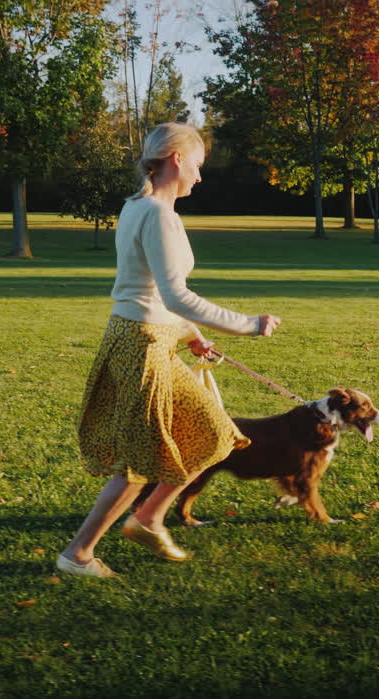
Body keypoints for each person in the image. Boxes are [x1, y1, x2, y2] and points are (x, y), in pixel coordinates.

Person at [58, 122, 280, 578]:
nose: (200, 177)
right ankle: (78, 555)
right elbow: (174, 294)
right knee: (140, 461)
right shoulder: (157, 215)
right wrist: (249, 325)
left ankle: (148, 519)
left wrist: (189, 334)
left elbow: (150, 293)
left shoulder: (136, 207)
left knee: (216, 433)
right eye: (197, 166)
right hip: (140, 345)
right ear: (177, 159)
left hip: (147, 338)